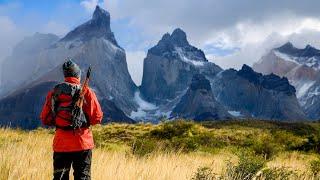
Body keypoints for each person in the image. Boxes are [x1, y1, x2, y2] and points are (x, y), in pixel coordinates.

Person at [40, 59, 103, 180]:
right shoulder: (87, 92)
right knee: (83, 177)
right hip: (83, 144)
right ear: (78, 75)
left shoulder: (54, 93)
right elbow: (97, 118)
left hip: (61, 144)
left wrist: (60, 121)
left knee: (60, 178)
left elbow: (45, 119)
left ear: (65, 76)